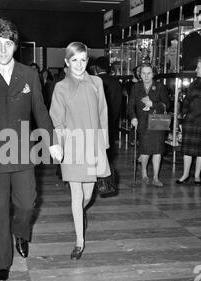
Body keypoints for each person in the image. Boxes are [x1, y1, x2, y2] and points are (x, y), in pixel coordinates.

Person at [0, 18, 61, 281]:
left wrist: (52, 141)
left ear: (15, 46)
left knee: (27, 203)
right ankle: (2, 262)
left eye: (8, 44)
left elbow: (40, 110)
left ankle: (21, 233)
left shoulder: (29, 74)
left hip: (22, 150)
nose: (3, 50)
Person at [49, 42, 110, 260]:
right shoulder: (61, 88)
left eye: (83, 60)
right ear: (67, 62)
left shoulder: (97, 82)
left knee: (87, 195)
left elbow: (103, 113)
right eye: (74, 60)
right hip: (72, 146)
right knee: (76, 195)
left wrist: (104, 145)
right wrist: (58, 145)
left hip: (93, 145)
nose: (79, 64)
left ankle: (80, 213)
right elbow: (56, 120)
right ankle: (79, 242)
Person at [127, 62, 170, 187]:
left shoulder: (160, 87)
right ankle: (144, 173)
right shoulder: (136, 87)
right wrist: (133, 117)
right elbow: (130, 106)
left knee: (158, 150)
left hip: (158, 121)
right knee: (145, 150)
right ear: (140, 74)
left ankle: (156, 177)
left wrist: (153, 104)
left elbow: (167, 105)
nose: (146, 76)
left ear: (153, 74)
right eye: (143, 73)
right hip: (142, 122)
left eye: (149, 73)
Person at [176, 57, 201, 186]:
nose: (196, 69)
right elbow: (187, 100)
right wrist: (183, 112)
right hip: (190, 120)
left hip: (199, 119)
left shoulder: (195, 84)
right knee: (187, 150)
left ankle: (197, 176)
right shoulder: (194, 83)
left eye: (198, 67)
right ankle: (185, 175)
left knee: (200, 151)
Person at [96, 56, 123, 162]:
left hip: (97, 119)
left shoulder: (94, 81)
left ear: (97, 68)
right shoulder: (116, 82)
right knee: (109, 146)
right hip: (112, 118)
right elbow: (119, 102)